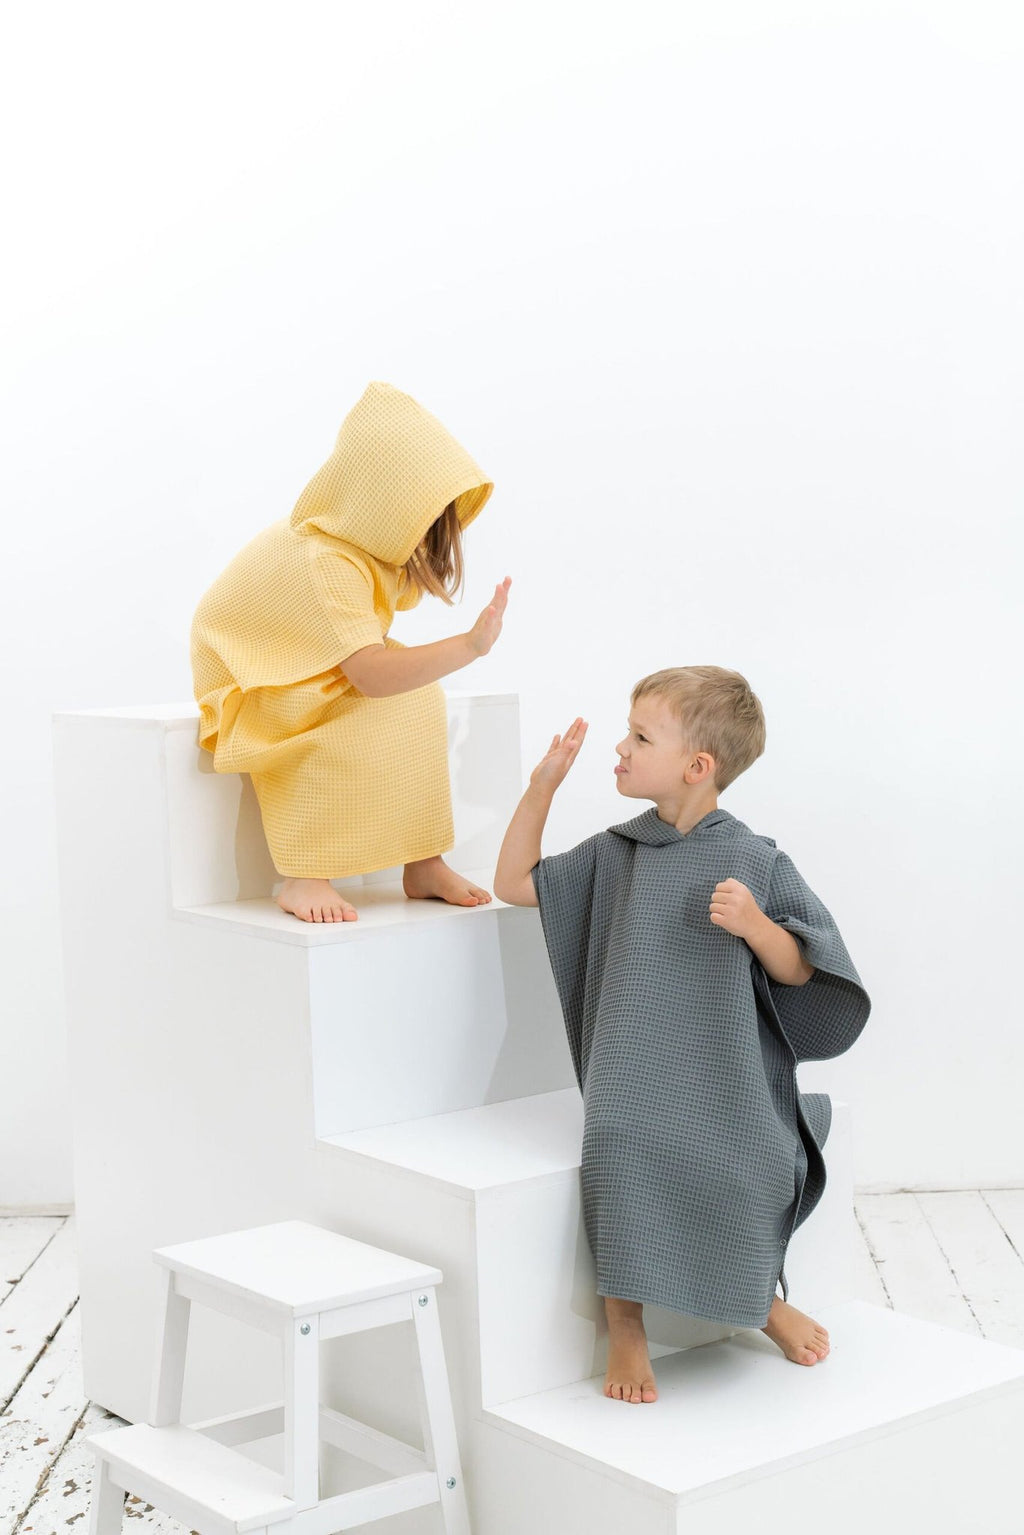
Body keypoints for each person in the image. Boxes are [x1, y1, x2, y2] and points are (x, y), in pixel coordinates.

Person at [493, 666, 870, 1404]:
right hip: (631, 1071)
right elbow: (514, 882)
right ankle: (625, 1319)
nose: (620, 748)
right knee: (617, 1147)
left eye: (640, 736)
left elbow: (806, 968)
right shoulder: (616, 852)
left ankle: (758, 1298)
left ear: (699, 767)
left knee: (757, 1161)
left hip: (724, 1067)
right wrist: (543, 784)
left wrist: (758, 925)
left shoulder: (755, 859)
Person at [191, 381, 511, 922]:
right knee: (337, 721)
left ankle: (423, 860)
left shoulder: (361, 552)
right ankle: (304, 874)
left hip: (305, 658)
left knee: (418, 700)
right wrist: (469, 645)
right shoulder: (326, 560)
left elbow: (371, 662)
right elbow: (369, 676)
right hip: (255, 680)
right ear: (383, 504)